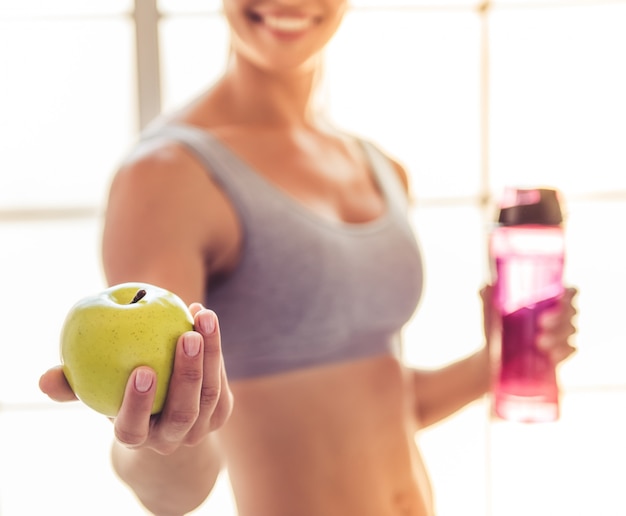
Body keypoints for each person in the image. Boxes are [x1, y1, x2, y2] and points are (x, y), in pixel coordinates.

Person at [39, 1, 578, 515]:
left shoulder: (378, 166)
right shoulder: (167, 175)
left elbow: (379, 407)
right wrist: (162, 440)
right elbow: (171, 488)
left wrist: (492, 362)